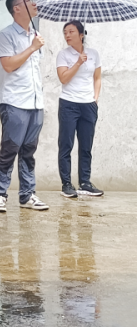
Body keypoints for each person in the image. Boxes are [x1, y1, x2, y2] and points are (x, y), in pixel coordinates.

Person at [0, 0, 48, 213]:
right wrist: (32, 48)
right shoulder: (5, 36)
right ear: (16, 8)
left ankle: (28, 194)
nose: (34, 3)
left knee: (28, 150)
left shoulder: (36, 35)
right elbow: (8, 65)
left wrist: (35, 44)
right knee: (10, 148)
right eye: (28, 0)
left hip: (35, 102)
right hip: (14, 101)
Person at [56, 20, 104, 198]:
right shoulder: (63, 55)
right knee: (66, 144)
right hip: (69, 103)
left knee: (86, 146)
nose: (67, 35)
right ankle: (67, 184)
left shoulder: (94, 54)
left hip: (88, 105)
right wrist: (77, 62)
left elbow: (97, 78)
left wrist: (95, 98)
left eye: (71, 32)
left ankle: (85, 182)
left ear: (81, 35)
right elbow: (63, 78)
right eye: (65, 32)